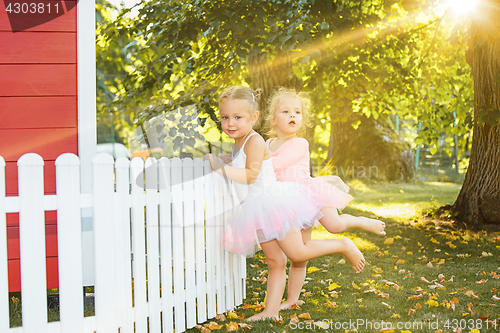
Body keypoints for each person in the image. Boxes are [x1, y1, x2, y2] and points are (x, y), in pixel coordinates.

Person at [204, 86, 366, 321]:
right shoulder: (241, 142)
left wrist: (220, 167)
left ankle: (343, 244)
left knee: (297, 252)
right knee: (275, 261)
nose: (231, 123)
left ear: (254, 118)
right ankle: (270, 312)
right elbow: (243, 164)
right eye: (225, 117)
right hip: (257, 207)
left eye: (238, 117)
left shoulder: (255, 141)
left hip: (273, 203)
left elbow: (250, 175)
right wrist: (225, 160)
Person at [265, 86, 386, 309]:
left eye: (297, 112)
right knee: (300, 255)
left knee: (335, 224)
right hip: (283, 202)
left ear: (302, 119)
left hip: (305, 195)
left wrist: (252, 167)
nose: (293, 115)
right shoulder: (267, 145)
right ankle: (292, 300)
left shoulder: (300, 143)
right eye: (286, 112)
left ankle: (358, 223)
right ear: (272, 119)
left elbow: (278, 164)